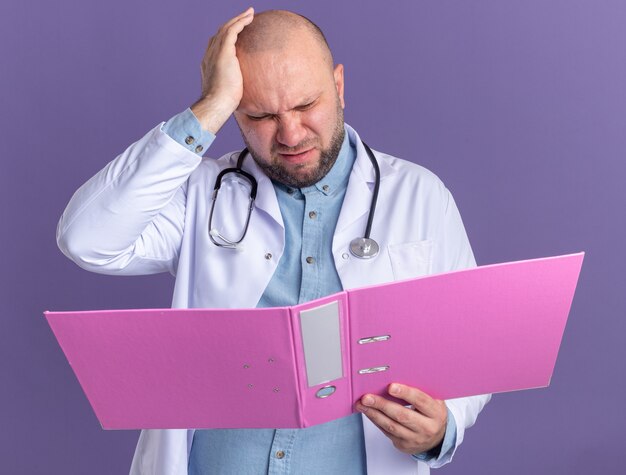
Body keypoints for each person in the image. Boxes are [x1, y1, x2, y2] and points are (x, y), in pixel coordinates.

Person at [57, 8, 490, 475]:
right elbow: (87, 239)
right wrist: (208, 108)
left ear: (339, 86)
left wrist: (443, 429)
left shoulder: (419, 195)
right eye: (260, 115)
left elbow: (469, 348)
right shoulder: (202, 192)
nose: (290, 134)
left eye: (306, 105)